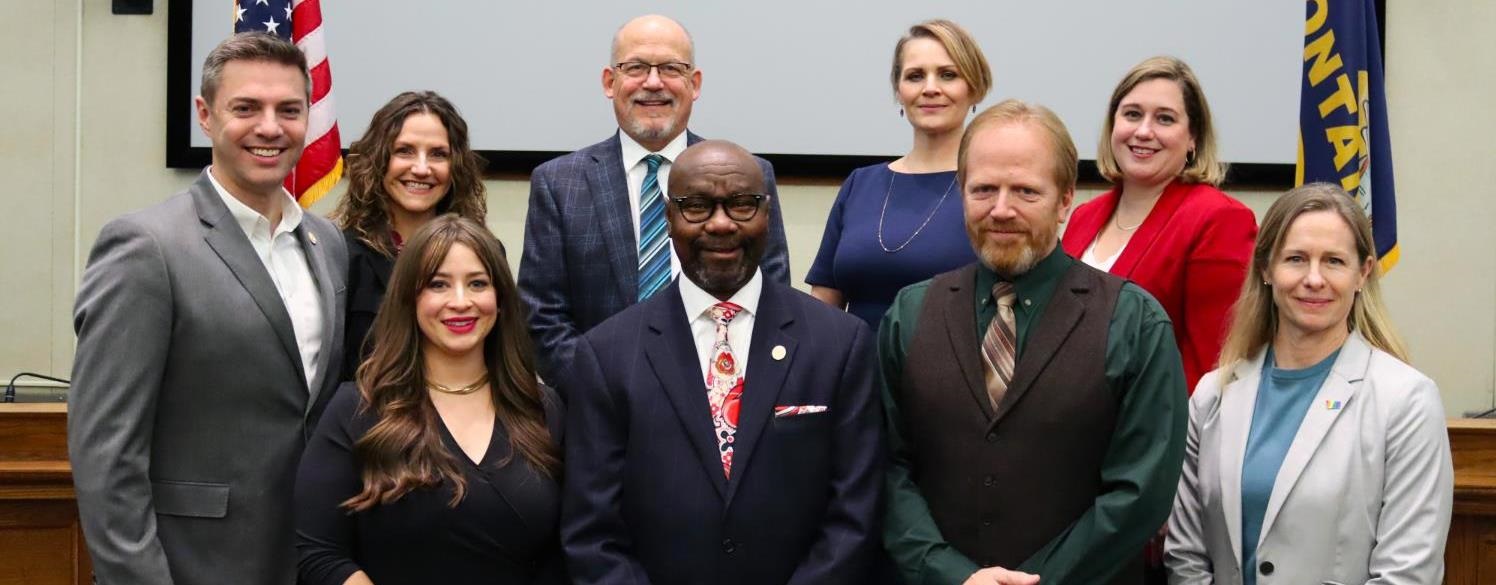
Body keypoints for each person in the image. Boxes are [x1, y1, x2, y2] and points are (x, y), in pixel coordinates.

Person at [68, 32, 348, 584]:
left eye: (288, 110)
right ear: (204, 114)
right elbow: (107, 454)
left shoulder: (327, 244)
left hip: (300, 561)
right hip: (189, 566)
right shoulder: (146, 247)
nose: (270, 127)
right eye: (246, 108)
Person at [881, 100, 1187, 585]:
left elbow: (1141, 491)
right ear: (961, 191)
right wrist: (949, 573)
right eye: (984, 189)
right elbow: (885, 468)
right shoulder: (910, 314)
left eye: (1025, 191)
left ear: (1065, 199)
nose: (1002, 210)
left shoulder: (1134, 322)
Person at [561, 140, 883, 585]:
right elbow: (591, 531)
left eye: (741, 205)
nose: (720, 223)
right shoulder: (607, 353)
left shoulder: (839, 343)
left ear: (767, 214)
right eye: (695, 206)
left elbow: (856, 513)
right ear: (669, 218)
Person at [1165, 184, 1453, 585]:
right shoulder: (1213, 395)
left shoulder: (1406, 400)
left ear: (1363, 273)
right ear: (1266, 269)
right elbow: (1186, 557)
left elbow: (1408, 574)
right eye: (1296, 259)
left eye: (1334, 261)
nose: (1314, 279)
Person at [520, 14, 792, 384]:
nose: (652, 83)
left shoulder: (749, 177)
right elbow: (542, 321)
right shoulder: (558, 183)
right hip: (602, 412)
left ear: (694, 84)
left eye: (670, 68)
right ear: (609, 81)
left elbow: (770, 301)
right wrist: (611, 393)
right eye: (635, 68)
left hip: (724, 402)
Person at [296, 215, 564, 585]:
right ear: (409, 298)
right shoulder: (357, 409)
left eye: (477, 284)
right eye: (438, 284)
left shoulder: (543, 408)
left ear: (500, 299)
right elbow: (318, 552)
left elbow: (569, 549)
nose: (460, 302)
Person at [1060, 56, 1257, 393]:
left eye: (1164, 119)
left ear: (1193, 137)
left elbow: (1216, 365)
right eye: (1132, 114)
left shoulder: (1219, 219)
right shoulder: (1084, 216)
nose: (1144, 131)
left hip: (1153, 432)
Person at [808, 19, 989, 326]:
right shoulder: (859, 185)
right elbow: (822, 309)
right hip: (856, 372)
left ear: (974, 88)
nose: (930, 89)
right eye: (915, 76)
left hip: (953, 370)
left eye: (948, 75)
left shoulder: (991, 189)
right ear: (899, 91)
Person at [330, 91, 488, 381]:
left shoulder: (482, 253)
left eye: (438, 154)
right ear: (379, 159)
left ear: (456, 166)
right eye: (404, 151)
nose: (421, 168)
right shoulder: (341, 256)